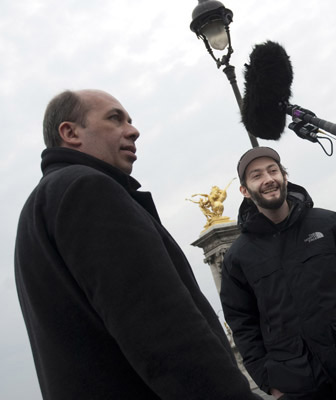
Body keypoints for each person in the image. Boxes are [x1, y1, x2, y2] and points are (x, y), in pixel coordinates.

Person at [14, 89, 260, 400]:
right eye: (115, 118)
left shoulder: (42, 204)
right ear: (71, 132)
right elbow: (164, 331)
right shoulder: (87, 189)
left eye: (129, 120)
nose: (133, 130)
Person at [220, 147, 336, 400]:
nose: (268, 179)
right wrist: (269, 381)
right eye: (256, 175)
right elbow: (242, 322)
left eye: (273, 170)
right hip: (296, 386)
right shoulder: (237, 256)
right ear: (245, 191)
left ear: (285, 178)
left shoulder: (328, 223)